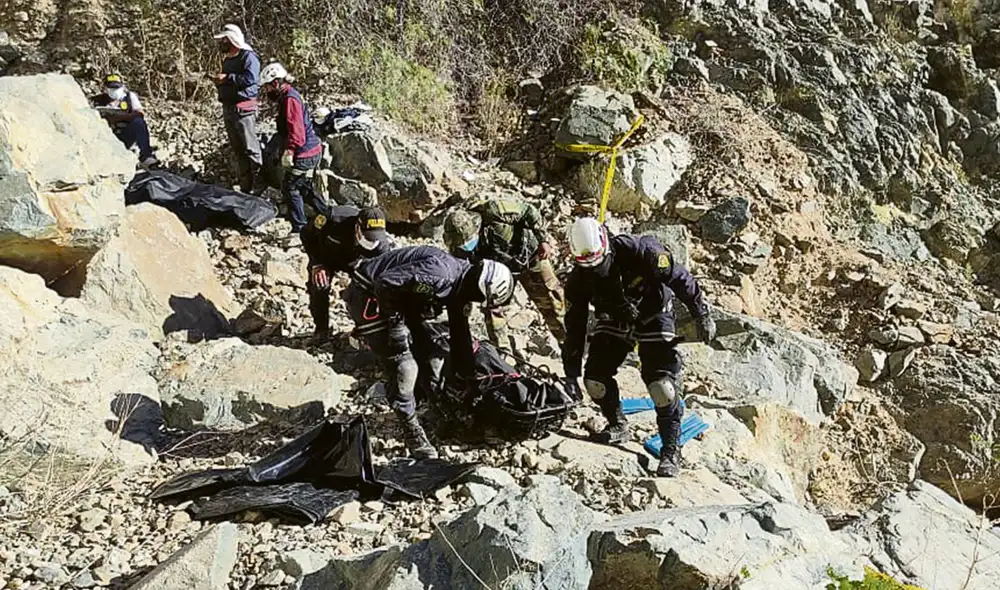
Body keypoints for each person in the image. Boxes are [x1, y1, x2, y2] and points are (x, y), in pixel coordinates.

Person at [561, 217, 716, 478]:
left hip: (654, 312)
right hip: (614, 317)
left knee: (662, 388)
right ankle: (618, 424)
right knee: (595, 380)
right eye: (587, 265)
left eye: (597, 262)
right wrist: (571, 373)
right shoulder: (579, 279)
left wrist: (701, 313)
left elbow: (680, 278)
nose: (594, 270)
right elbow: (574, 326)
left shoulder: (642, 251)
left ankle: (670, 451)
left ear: (605, 245)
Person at [347, 246, 515, 459]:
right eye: (482, 298)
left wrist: (469, 379)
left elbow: (459, 332)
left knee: (432, 350)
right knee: (404, 366)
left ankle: (434, 405)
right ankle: (411, 430)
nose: (479, 302)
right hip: (369, 294)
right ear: (481, 287)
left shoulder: (461, 285)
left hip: (402, 298)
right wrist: (396, 328)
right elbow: (385, 283)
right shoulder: (441, 275)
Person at [442, 198, 566, 352]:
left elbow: (529, 211)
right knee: (493, 311)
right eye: (463, 244)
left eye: (470, 239)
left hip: (531, 257)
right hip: (497, 275)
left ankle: (570, 345)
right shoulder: (457, 249)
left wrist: (543, 239)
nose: (467, 245)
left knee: (554, 302)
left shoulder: (494, 211)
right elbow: (461, 279)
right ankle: (503, 356)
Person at [302, 205, 392, 341]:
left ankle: (364, 330)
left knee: (367, 291)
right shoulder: (333, 218)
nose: (371, 241)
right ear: (358, 226)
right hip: (326, 257)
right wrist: (317, 263)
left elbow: (385, 274)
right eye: (368, 237)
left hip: (357, 262)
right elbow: (306, 234)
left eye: (374, 238)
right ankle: (321, 330)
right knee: (319, 285)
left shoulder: (381, 246)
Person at [259, 62, 328, 232]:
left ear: (275, 83)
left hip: (305, 153)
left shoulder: (290, 99)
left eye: (267, 87)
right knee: (304, 186)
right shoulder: (288, 97)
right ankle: (329, 215)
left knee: (290, 187)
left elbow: (296, 131)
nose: (266, 91)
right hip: (311, 150)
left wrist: (290, 151)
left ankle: (300, 228)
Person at [211, 24, 263, 194]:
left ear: (232, 39)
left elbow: (250, 79)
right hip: (228, 108)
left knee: (251, 148)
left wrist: (227, 78)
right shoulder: (227, 60)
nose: (222, 43)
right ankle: (245, 186)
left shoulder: (248, 57)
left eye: (225, 39)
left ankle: (259, 185)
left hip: (244, 110)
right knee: (238, 150)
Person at [90, 74, 159, 168]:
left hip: (125, 134)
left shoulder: (129, 97)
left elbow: (140, 113)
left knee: (138, 122)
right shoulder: (97, 100)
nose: (114, 90)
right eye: (111, 88)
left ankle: (145, 156)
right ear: (105, 88)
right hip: (106, 136)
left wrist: (120, 117)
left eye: (117, 87)